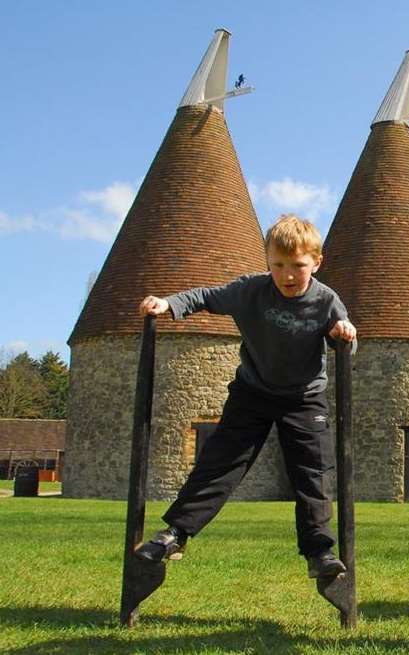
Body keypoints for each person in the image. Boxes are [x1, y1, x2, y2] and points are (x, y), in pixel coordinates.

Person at [135, 214, 356, 578]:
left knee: (312, 473)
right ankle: (176, 533)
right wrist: (170, 304)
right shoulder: (251, 290)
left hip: (304, 397)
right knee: (220, 462)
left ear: (316, 262)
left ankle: (320, 553)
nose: (286, 275)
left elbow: (345, 338)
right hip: (253, 392)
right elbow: (206, 296)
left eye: (297, 266)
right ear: (267, 261)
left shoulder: (327, 301)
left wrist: (344, 333)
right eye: (278, 265)